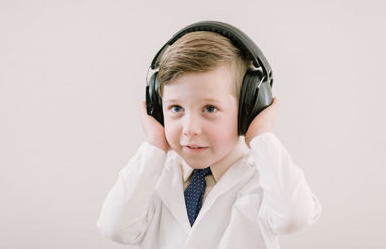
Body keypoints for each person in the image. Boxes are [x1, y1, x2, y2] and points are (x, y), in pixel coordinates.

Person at [96, 30, 322, 249]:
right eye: (176, 108)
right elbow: (115, 228)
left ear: (247, 110)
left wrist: (260, 135)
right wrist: (155, 142)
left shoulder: (262, 180)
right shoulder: (153, 177)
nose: (190, 129)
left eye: (210, 108)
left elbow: (295, 216)